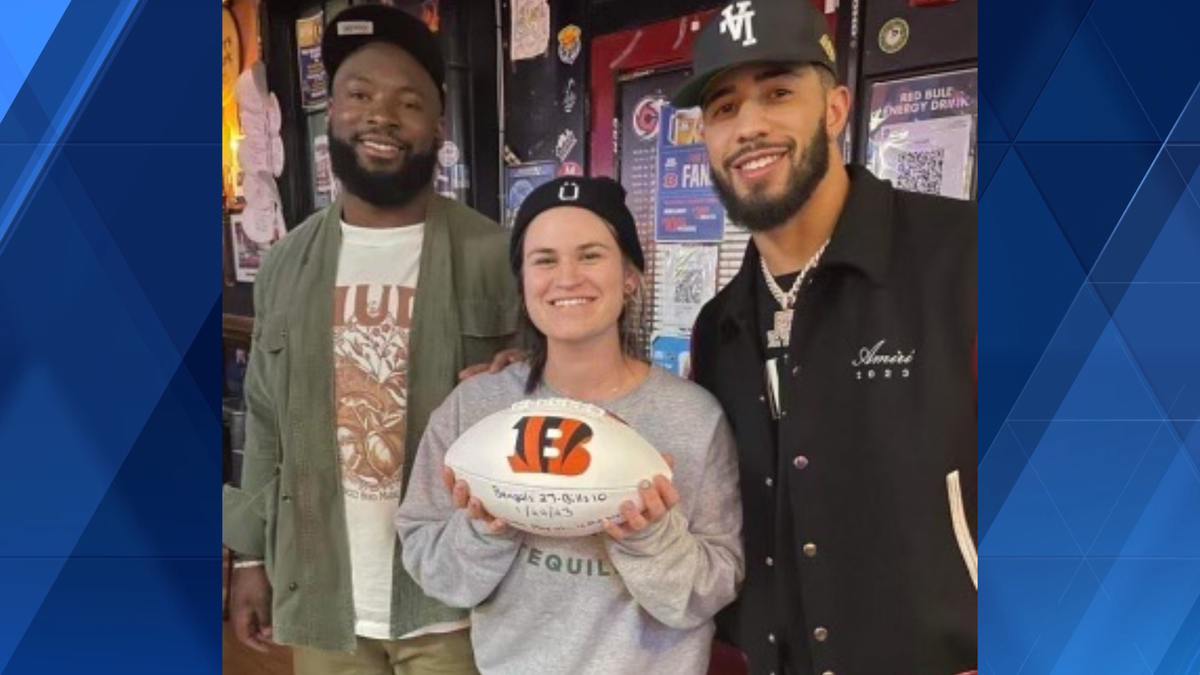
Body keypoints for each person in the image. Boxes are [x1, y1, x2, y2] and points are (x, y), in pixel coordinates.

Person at [676, 1, 978, 674]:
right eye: (723, 108)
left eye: (778, 92)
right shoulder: (718, 326)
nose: (749, 125)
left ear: (837, 108)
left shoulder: (970, 256)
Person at [221, 5, 518, 674]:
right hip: (326, 598)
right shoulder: (285, 264)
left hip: (457, 601)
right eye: (359, 96)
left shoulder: (495, 255)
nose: (382, 116)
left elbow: (541, 403)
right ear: (332, 116)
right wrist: (247, 557)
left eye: (408, 103)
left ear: (437, 126)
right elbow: (265, 421)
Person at [395, 176, 745, 675]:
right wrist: (483, 531)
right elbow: (435, 572)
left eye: (590, 255)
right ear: (522, 281)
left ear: (629, 275)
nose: (567, 278)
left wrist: (650, 538)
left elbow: (714, 589)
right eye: (544, 260)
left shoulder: (694, 418)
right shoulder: (474, 408)